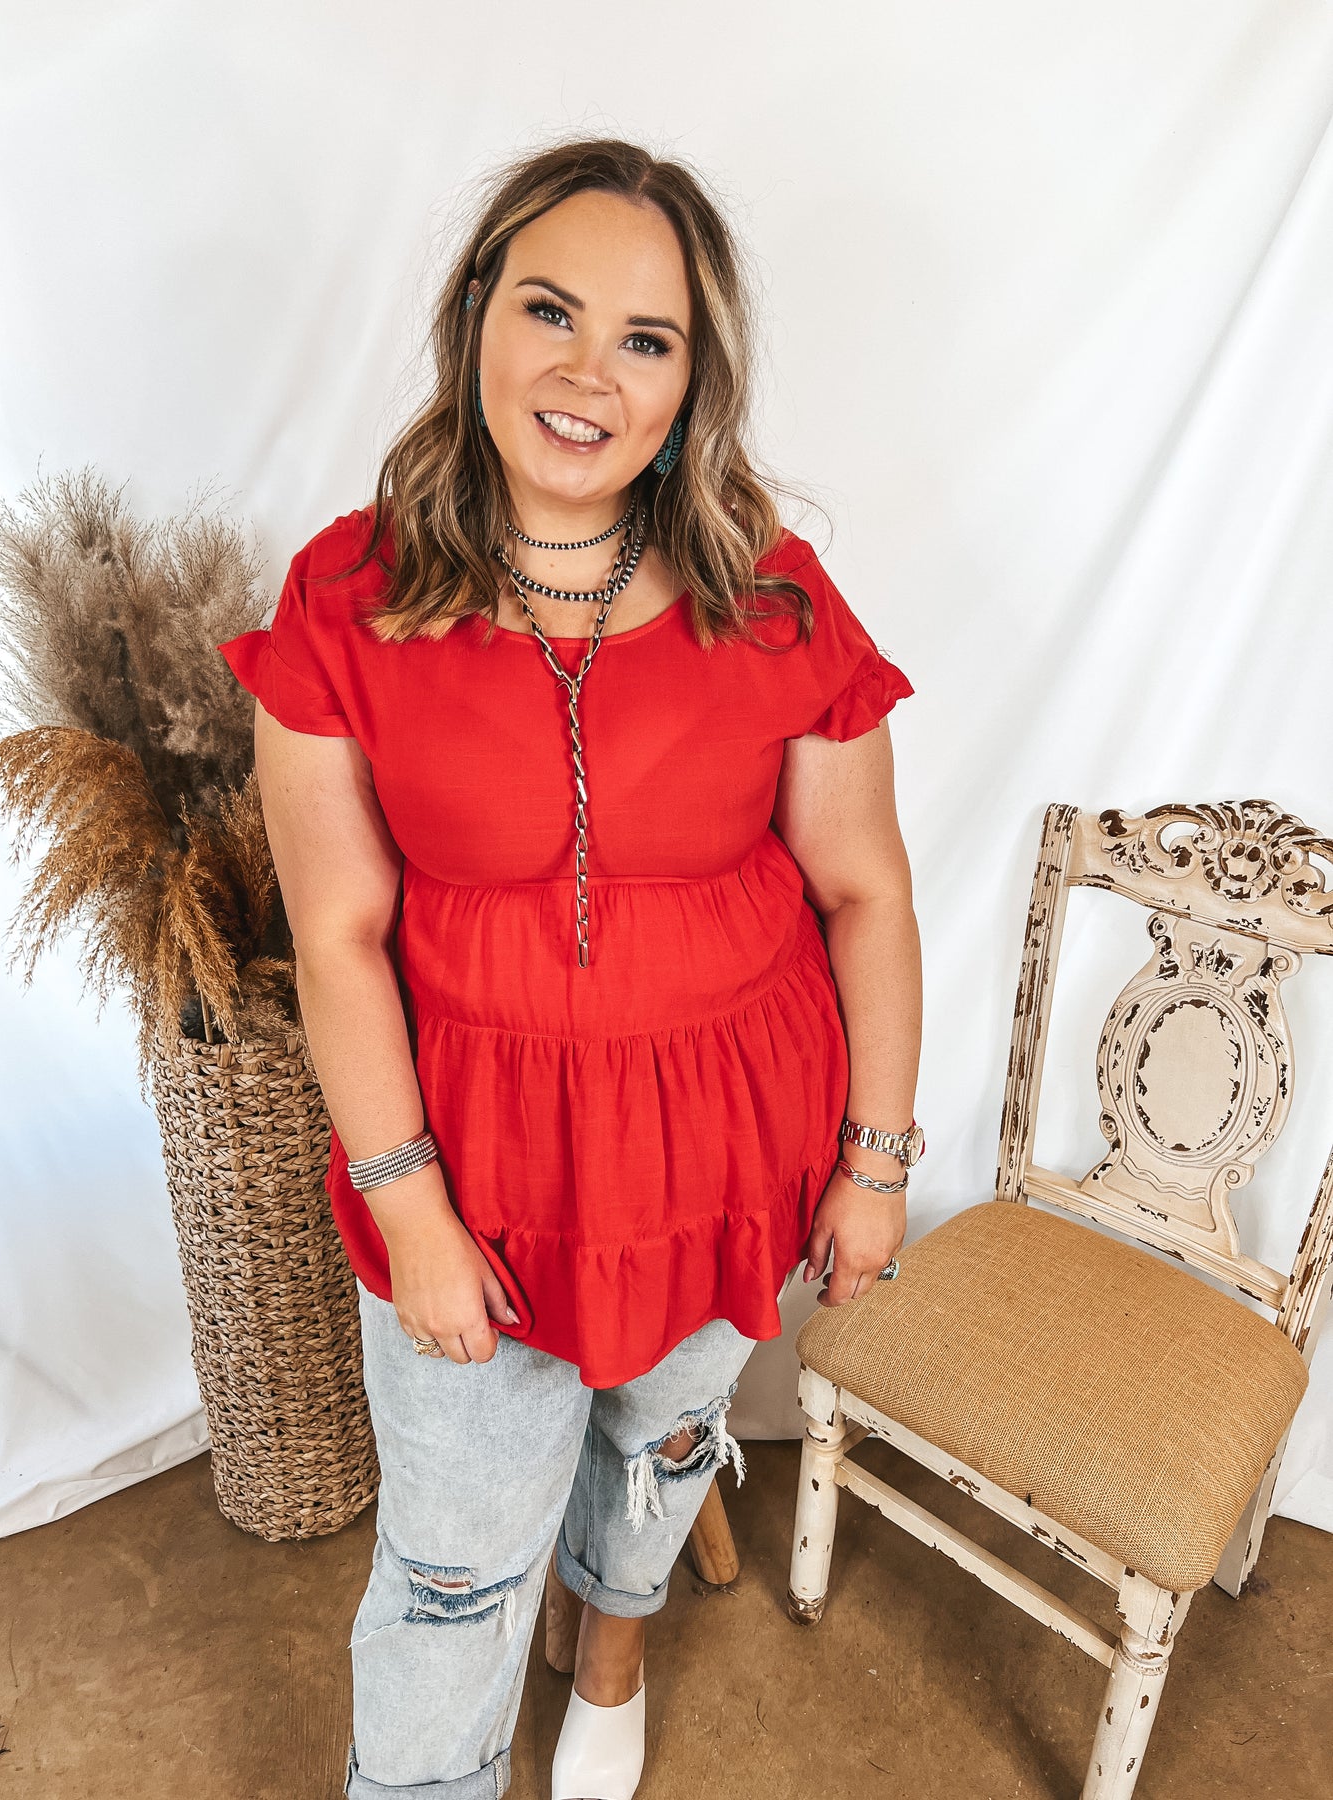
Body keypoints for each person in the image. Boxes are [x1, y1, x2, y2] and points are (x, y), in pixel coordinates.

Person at [218, 135, 922, 1800]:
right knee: (452, 1565)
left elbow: (864, 892)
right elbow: (337, 934)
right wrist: (408, 1215)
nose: (587, 373)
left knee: (662, 1447)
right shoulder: (344, 600)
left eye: (644, 339)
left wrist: (874, 1162)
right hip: (476, 1174)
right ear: (476, 314)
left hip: (731, 1145)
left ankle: (610, 1648)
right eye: (548, 309)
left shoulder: (772, 596)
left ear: (691, 384)